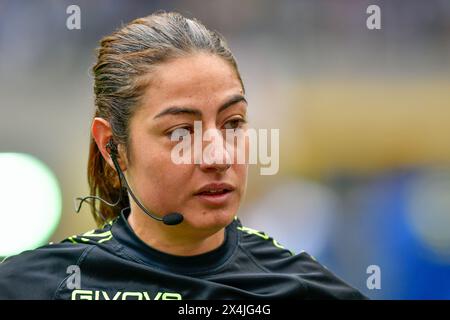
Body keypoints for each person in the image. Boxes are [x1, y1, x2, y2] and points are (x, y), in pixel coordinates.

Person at [0, 11, 366, 300]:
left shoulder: (304, 289)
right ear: (111, 146)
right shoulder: (30, 287)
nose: (219, 156)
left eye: (233, 123)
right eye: (180, 132)